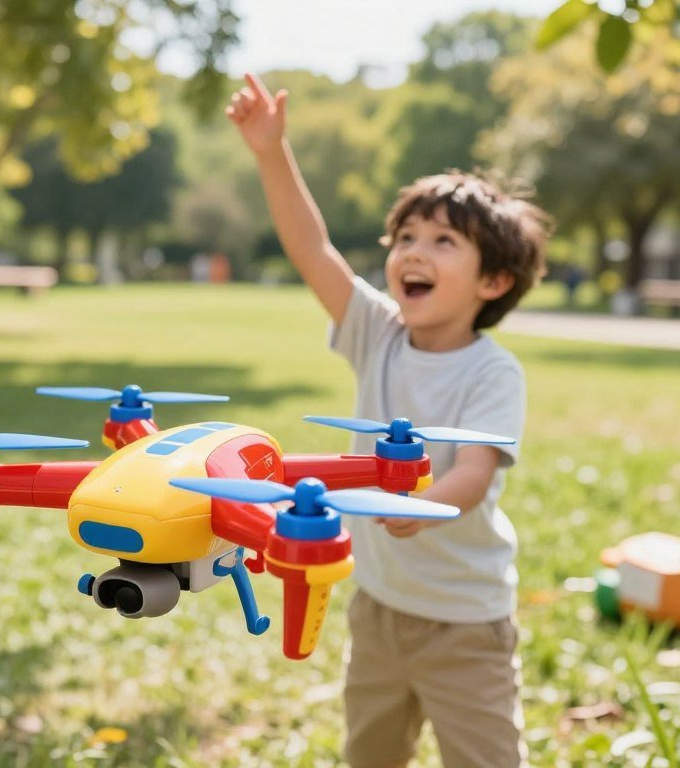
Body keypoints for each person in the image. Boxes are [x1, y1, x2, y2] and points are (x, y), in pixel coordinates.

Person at [226, 73, 552, 768]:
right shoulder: (378, 330)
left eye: (442, 242)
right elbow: (313, 250)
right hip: (377, 607)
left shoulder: (492, 373)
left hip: (465, 622)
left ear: (493, 283)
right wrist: (270, 153)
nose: (412, 252)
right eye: (405, 235)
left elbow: (474, 473)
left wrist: (425, 506)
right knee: (369, 753)